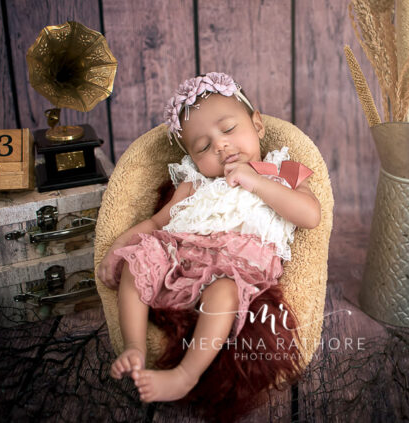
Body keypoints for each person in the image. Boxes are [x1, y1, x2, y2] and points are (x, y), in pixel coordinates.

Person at [96, 72, 321, 416]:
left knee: (224, 292)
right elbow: (156, 224)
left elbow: (310, 215)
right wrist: (118, 247)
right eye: (203, 147)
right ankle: (134, 347)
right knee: (138, 259)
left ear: (257, 124)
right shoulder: (193, 184)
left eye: (228, 129)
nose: (220, 145)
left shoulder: (282, 169)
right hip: (181, 264)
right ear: (192, 156)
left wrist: (257, 182)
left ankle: (185, 375)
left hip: (235, 271)